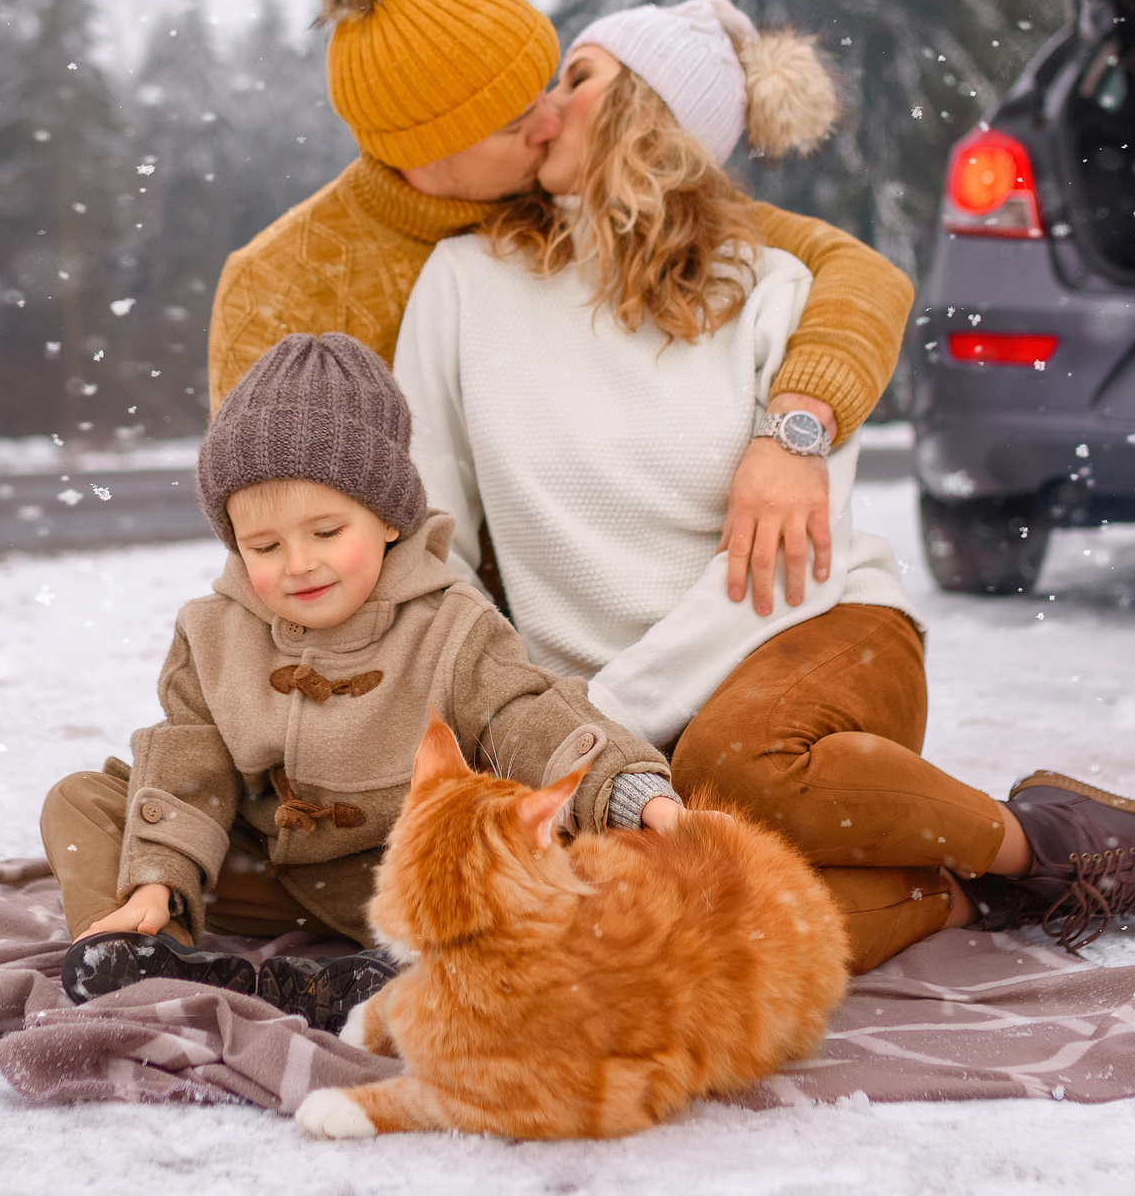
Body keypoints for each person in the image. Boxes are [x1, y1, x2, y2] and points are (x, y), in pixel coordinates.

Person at [393, 0, 1135, 971]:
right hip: (597, 713)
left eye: (579, 75)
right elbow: (433, 533)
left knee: (731, 771)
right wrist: (529, 720)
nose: (543, 105)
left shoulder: (773, 292)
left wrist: (591, 730)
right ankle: (961, 893)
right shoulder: (461, 283)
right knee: (638, 931)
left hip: (811, 634)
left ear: (651, 108)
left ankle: (1048, 843)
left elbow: (785, 572)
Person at [207, 0, 910, 619]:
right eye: (517, 124)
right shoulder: (282, 281)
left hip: (591, 619)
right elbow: (274, 530)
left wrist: (795, 429)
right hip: (432, 629)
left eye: (546, 88)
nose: (551, 120)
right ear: (427, 152)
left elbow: (859, 272)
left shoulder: (569, 200)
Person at [38, 332, 679, 1032]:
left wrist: (627, 789)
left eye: (325, 532)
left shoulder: (451, 623)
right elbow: (191, 761)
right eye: (264, 546)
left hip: (410, 871)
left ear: (388, 519)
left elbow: (526, 714)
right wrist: (158, 877)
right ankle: (142, 946)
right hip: (257, 868)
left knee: (565, 868)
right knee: (84, 800)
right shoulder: (212, 630)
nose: (298, 564)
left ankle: (414, 966)